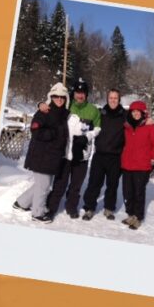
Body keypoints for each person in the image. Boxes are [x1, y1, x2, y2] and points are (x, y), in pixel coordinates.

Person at [12, 83, 71, 223]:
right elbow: (35, 129)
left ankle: (21, 203)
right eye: (56, 96)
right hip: (41, 155)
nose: (59, 99)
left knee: (41, 184)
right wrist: (52, 133)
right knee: (44, 185)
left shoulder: (63, 113)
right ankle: (37, 213)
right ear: (51, 96)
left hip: (52, 156)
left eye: (62, 96)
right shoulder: (44, 111)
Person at [44, 83, 101, 219]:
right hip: (65, 153)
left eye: (82, 93)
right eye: (77, 92)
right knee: (60, 183)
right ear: (73, 94)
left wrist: (87, 136)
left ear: (86, 94)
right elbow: (51, 105)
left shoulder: (93, 110)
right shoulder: (67, 106)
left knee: (76, 185)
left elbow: (98, 128)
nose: (80, 95)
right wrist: (41, 104)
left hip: (82, 154)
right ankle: (51, 208)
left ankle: (71, 207)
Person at [81, 89, 128, 221]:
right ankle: (89, 207)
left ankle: (109, 208)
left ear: (119, 99)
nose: (113, 100)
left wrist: (148, 120)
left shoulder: (124, 114)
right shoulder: (100, 113)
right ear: (107, 99)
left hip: (115, 156)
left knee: (112, 185)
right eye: (111, 98)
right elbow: (87, 118)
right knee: (94, 183)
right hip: (100, 155)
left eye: (115, 98)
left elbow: (137, 120)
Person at [121, 100, 154, 230]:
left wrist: (153, 159)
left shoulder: (149, 127)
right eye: (133, 111)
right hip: (127, 165)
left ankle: (138, 217)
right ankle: (130, 214)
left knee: (139, 192)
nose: (135, 114)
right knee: (127, 192)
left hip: (142, 166)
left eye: (138, 112)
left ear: (143, 113)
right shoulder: (126, 126)